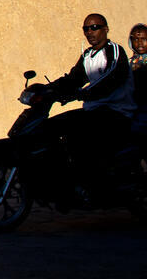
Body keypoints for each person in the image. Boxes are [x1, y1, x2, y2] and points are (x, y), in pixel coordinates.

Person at [46, 13, 136, 183]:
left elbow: (111, 78)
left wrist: (81, 93)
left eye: (94, 27)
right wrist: (46, 89)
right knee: (53, 126)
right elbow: (73, 79)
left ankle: (95, 181)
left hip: (116, 111)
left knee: (81, 137)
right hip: (94, 110)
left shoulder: (114, 51)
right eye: (86, 29)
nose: (89, 32)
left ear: (106, 29)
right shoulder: (87, 55)